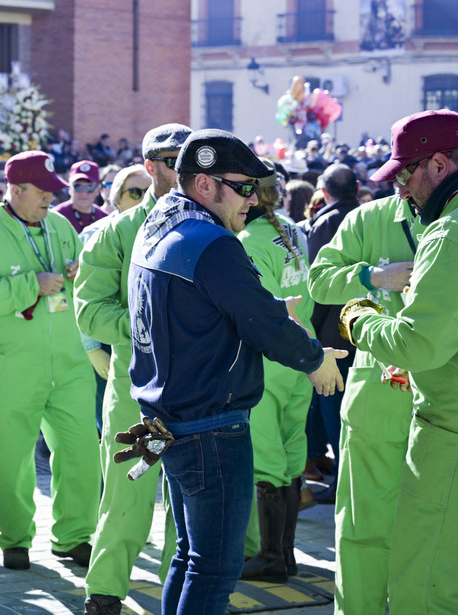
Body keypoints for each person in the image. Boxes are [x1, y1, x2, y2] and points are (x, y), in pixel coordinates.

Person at [127, 129, 345, 615]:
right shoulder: (211, 241)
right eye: (244, 186)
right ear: (205, 184)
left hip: (173, 418)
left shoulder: (159, 223)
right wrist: (315, 359)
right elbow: (263, 321)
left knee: (190, 558)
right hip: (208, 426)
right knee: (214, 569)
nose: (254, 198)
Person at [338, 110, 458, 615]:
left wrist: (358, 318)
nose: (401, 190)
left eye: (404, 174)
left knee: (429, 593)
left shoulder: (452, 232)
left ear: (439, 165)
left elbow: (419, 347)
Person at [0, 150, 100, 571]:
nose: (50, 200)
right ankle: (14, 539)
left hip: (69, 363)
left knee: (81, 454)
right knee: (11, 459)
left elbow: (82, 284)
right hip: (9, 366)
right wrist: (29, 286)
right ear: (14, 190)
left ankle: (73, 537)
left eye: (53, 192)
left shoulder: (60, 226)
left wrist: (77, 274)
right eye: (42, 192)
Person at [75, 123, 189, 615]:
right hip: (135, 387)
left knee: (188, 506)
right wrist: (153, 325)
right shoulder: (117, 232)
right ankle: (104, 595)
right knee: (127, 494)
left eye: (192, 159)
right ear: (150, 165)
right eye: (173, 161)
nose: (185, 170)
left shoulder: (211, 227)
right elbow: (90, 311)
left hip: (196, 389)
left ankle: (180, 597)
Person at [307, 186, 421, 614]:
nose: (401, 184)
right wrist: (373, 276)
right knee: (363, 525)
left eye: (407, 171)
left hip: (449, 396)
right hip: (380, 393)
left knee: (433, 529)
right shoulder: (368, 218)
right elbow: (319, 280)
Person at [237, 165, 315, 583]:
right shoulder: (293, 230)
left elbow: (258, 308)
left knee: (267, 457)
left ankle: (270, 557)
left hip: (269, 359)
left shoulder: (247, 239)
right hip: (302, 354)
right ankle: (285, 554)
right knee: (291, 450)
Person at [303, 163, 360, 499]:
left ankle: (342, 482)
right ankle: (345, 479)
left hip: (331, 337)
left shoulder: (327, 221)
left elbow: (317, 286)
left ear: (324, 192)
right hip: (361, 328)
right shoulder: (365, 215)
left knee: (335, 412)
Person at [53, 160, 109, 232]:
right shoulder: (55, 216)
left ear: (98, 189)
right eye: (77, 186)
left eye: (90, 187)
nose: (83, 192)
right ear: (69, 188)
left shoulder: (106, 219)